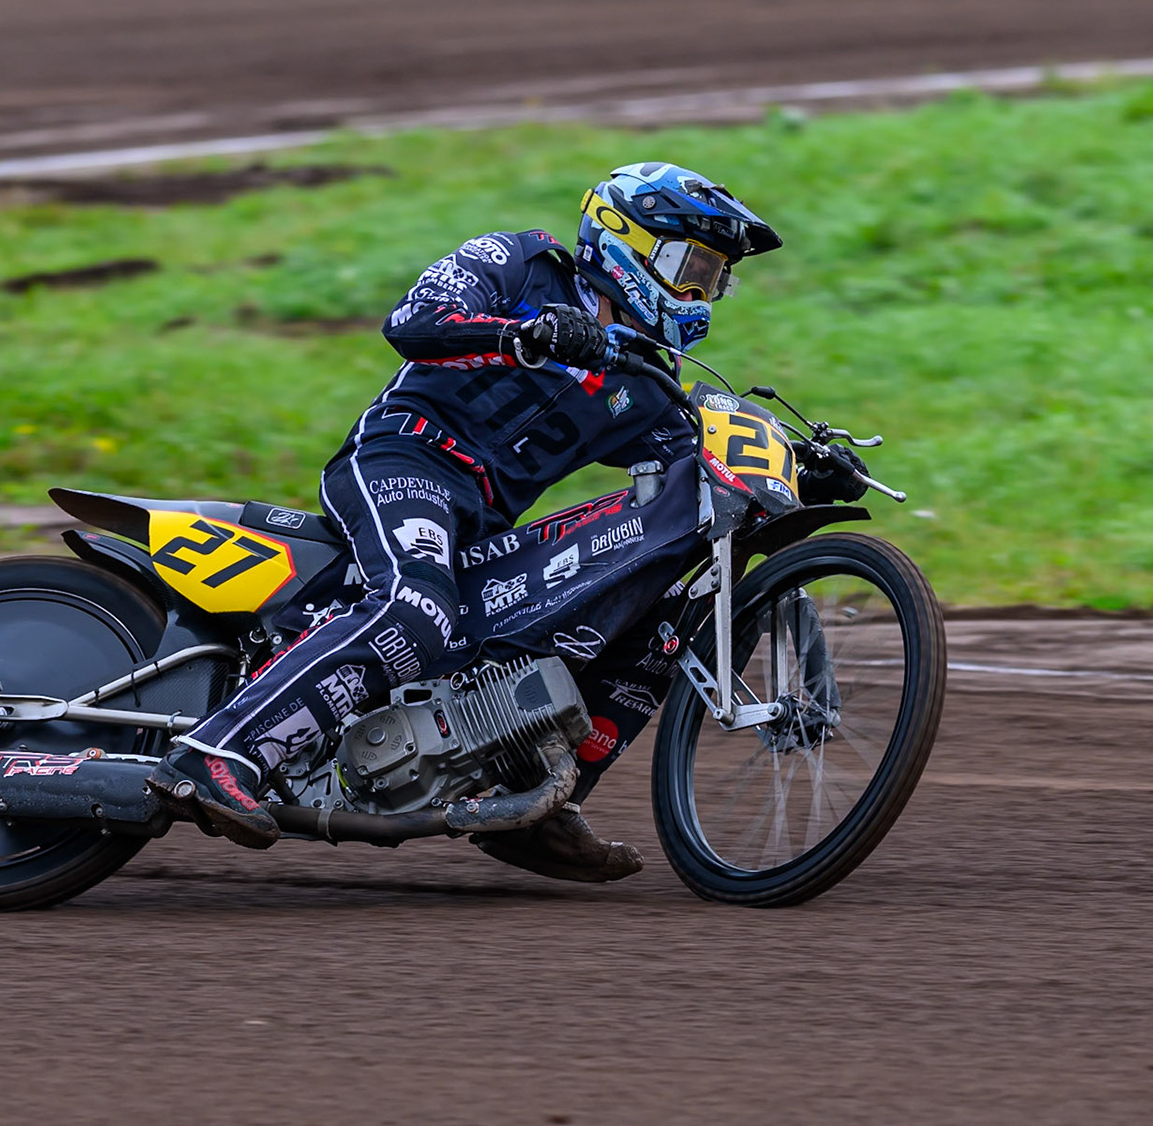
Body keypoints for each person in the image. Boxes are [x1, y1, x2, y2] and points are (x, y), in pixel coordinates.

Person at [146, 161, 866, 879]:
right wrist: (525, 334)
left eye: (712, 279)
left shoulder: (644, 382)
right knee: (416, 609)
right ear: (623, 238)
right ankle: (217, 753)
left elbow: (695, 481)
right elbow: (411, 322)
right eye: (690, 266)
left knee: (660, 592)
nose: (699, 294)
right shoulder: (518, 263)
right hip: (403, 460)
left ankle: (538, 803)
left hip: (482, 524)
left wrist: (800, 472)